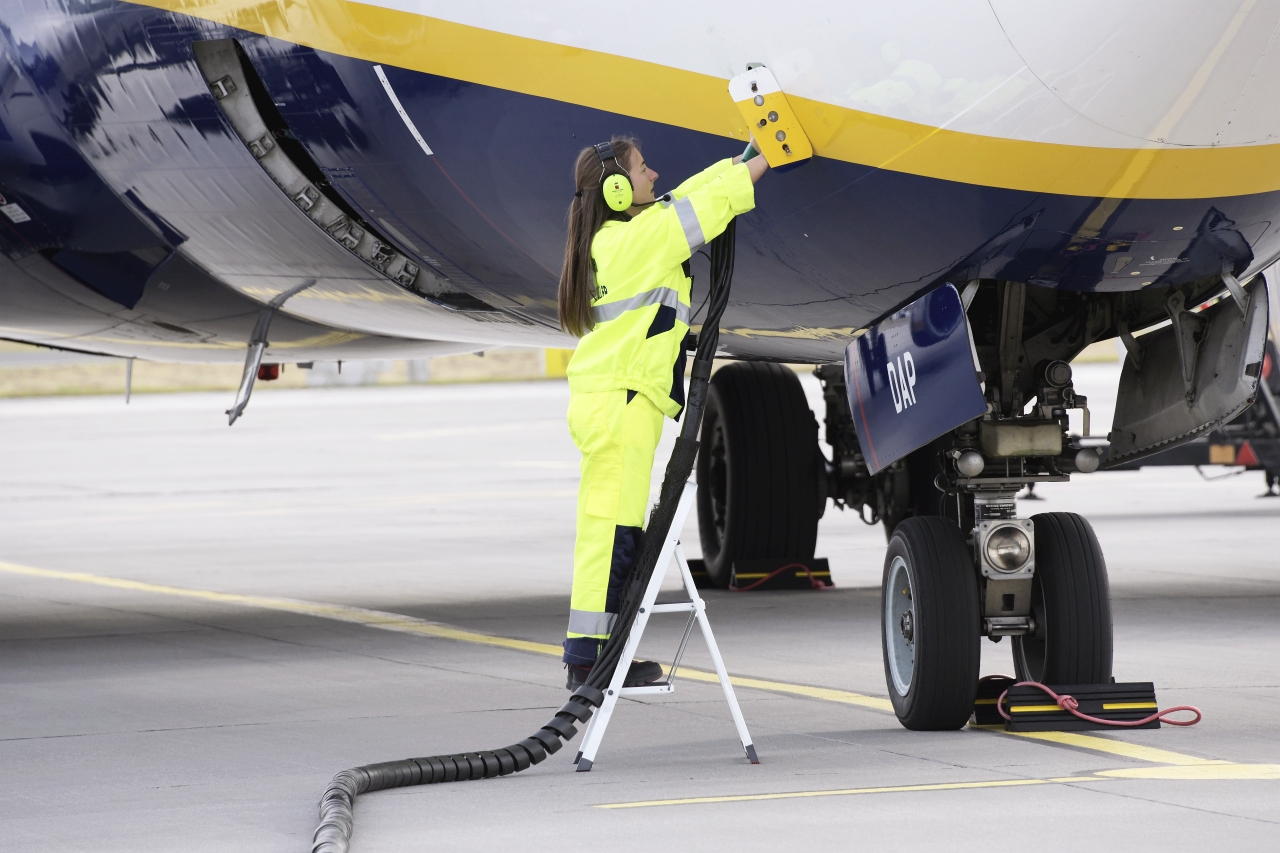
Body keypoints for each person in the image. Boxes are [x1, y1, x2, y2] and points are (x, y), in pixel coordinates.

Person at [557, 135, 769, 689]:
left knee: (609, 529)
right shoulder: (637, 241)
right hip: (622, 402)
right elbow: (703, 209)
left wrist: (741, 159)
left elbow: (683, 200)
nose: (653, 175)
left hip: (614, 399)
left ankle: (596, 655)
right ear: (619, 189)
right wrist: (769, 159)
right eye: (643, 169)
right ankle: (591, 663)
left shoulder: (620, 237)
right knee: (615, 533)